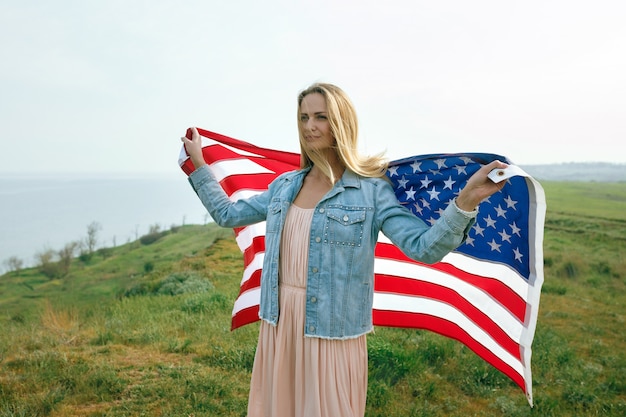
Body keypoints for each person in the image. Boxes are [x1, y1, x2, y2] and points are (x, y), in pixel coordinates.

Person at [181, 82, 507, 417]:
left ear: (341, 122)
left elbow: (422, 248)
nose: (310, 126)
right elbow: (228, 214)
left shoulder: (371, 192)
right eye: (304, 116)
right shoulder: (285, 186)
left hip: (332, 332)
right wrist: (199, 165)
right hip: (279, 326)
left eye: (320, 116)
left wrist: (465, 202)